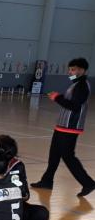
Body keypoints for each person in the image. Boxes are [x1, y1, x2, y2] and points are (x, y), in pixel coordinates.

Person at [31, 57, 95, 197]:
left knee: (68, 156)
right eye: (70, 69)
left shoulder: (82, 85)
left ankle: (88, 183)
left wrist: (57, 98)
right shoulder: (75, 84)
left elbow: (75, 106)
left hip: (71, 127)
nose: (70, 72)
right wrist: (59, 97)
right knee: (54, 154)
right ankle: (47, 181)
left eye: (73, 69)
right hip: (62, 126)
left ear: (82, 70)